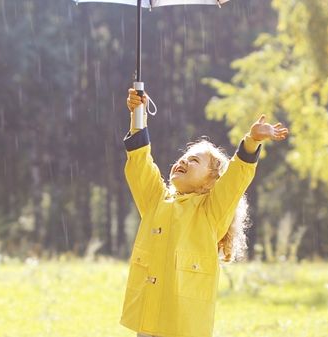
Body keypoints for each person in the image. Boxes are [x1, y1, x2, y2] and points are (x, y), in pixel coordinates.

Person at [120, 88, 288, 337]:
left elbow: (236, 177)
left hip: (183, 325)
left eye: (195, 161)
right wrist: (138, 116)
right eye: (184, 157)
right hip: (149, 317)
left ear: (211, 181)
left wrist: (251, 142)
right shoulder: (156, 201)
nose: (184, 161)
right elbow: (140, 163)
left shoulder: (211, 212)